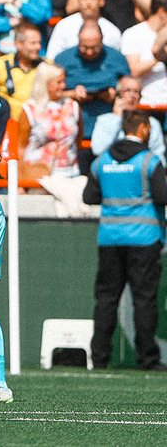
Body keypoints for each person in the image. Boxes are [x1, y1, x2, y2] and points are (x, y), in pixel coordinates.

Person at [83, 109, 167, 371]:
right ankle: (147, 359)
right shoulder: (149, 161)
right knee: (144, 299)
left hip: (110, 238)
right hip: (144, 238)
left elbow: (89, 197)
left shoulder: (101, 160)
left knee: (106, 298)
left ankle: (99, 358)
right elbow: (163, 197)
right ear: (142, 129)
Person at [55, 20, 130, 142]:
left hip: (110, 131)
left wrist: (115, 95)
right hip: (72, 131)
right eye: (84, 47)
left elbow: (131, 91)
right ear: (78, 41)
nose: (89, 52)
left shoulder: (117, 59)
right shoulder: (62, 60)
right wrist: (71, 94)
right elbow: (49, 94)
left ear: (102, 41)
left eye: (94, 48)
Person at [18, 62, 81, 181]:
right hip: (38, 175)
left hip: (69, 173)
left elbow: (78, 140)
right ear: (45, 83)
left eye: (63, 81)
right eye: (58, 82)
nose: (63, 86)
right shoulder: (30, 109)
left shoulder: (73, 106)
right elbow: (20, 146)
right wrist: (20, 179)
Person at [91, 76, 166, 163]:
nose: (132, 95)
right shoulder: (104, 120)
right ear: (118, 95)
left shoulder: (151, 123)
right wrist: (116, 119)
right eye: (127, 90)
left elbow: (158, 156)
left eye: (136, 91)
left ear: (140, 96)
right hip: (112, 169)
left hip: (138, 171)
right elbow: (98, 150)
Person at [47, 0, 122, 59]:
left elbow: (116, 60)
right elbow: (52, 58)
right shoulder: (63, 26)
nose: (88, 2)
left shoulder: (112, 31)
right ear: (78, 0)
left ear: (101, 1)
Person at [121, 0, 167, 106]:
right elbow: (135, 71)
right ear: (162, 12)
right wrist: (159, 57)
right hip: (144, 104)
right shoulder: (133, 34)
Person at [0, 21, 44, 120]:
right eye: (33, 43)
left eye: (39, 42)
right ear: (18, 44)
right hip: (7, 123)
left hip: (38, 123)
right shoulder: (0, 65)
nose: (38, 47)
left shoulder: (45, 66)